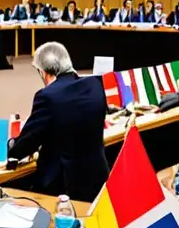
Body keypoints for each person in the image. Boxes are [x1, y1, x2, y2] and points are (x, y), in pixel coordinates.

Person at [8, 42, 108, 201]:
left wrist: (12, 146)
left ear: (44, 72)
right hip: (98, 180)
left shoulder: (47, 97)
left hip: (64, 188)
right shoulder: (95, 85)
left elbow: (26, 144)